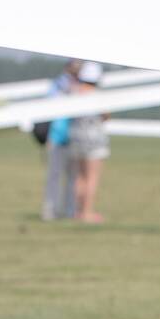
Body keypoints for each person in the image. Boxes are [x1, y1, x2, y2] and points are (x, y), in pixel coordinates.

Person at [67, 61, 109, 223]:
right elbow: (105, 116)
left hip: (76, 137)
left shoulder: (75, 92)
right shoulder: (97, 95)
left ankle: (78, 211)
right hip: (94, 139)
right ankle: (87, 212)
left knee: (80, 176)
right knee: (92, 177)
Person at [40, 59, 81, 221]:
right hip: (57, 136)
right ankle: (50, 210)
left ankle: (70, 210)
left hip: (76, 136)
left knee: (73, 177)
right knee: (54, 176)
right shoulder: (58, 85)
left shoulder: (81, 86)